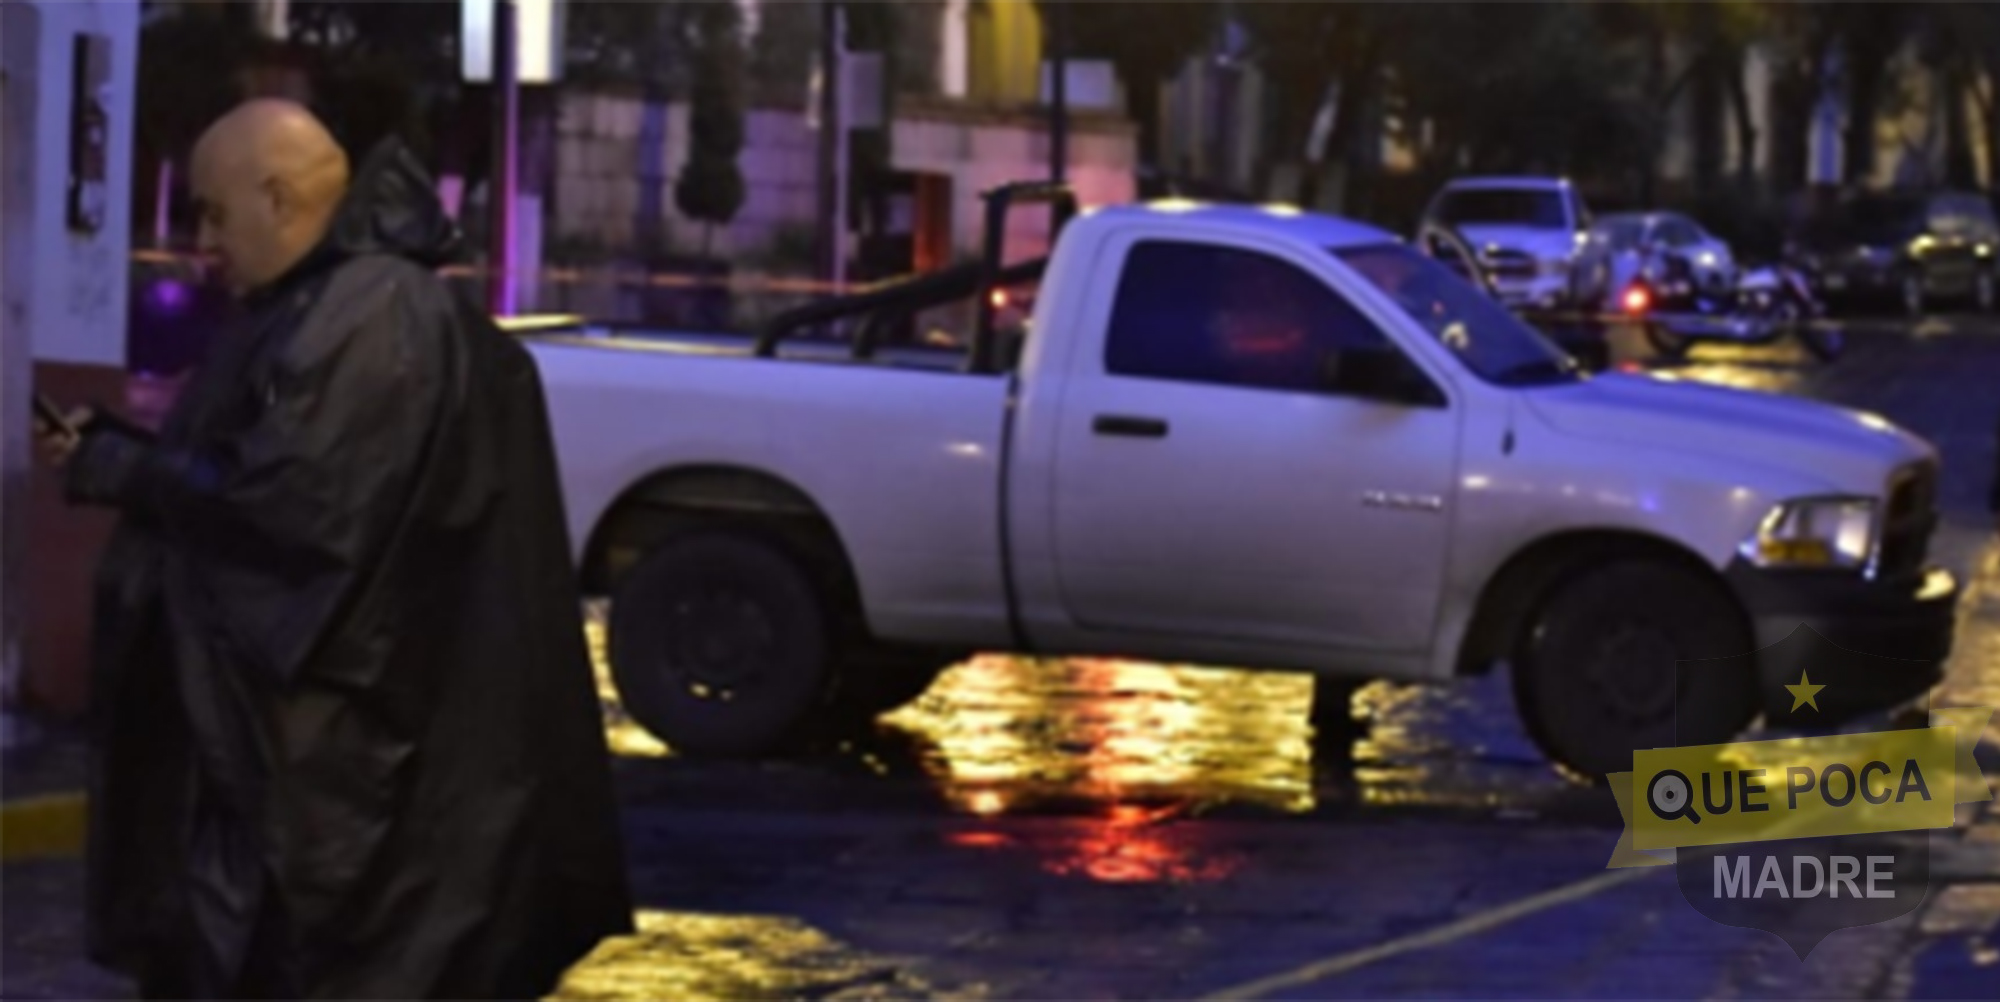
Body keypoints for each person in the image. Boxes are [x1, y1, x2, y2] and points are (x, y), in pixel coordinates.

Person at [36, 100, 632, 999]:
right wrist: (125, 454)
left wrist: (122, 468)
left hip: (354, 815)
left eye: (213, 211)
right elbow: (264, 476)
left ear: (276, 198)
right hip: (335, 800)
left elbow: (295, 509)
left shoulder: (372, 314)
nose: (204, 240)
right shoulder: (336, 307)